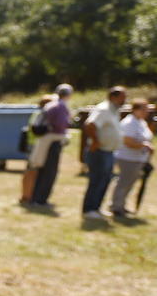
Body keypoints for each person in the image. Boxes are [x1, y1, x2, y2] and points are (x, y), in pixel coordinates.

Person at [81, 86, 125, 220]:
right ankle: (89, 209)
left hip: (108, 152)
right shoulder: (104, 109)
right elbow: (90, 125)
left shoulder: (114, 110)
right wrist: (95, 141)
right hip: (99, 152)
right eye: (122, 97)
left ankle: (96, 208)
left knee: (105, 181)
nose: (124, 100)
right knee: (96, 181)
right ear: (113, 97)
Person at [25, 83, 72, 208]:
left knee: (42, 171)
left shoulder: (51, 105)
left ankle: (36, 198)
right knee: (49, 171)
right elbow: (61, 125)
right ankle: (40, 200)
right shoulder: (60, 106)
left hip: (45, 141)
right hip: (53, 142)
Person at [111, 98, 152, 217]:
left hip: (138, 158)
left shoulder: (141, 122)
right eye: (145, 109)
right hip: (127, 158)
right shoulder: (129, 123)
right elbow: (127, 141)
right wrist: (143, 145)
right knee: (124, 182)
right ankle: (116, 207)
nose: (147, 112)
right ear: (136, 110)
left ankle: (121, 205)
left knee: (129, 183)